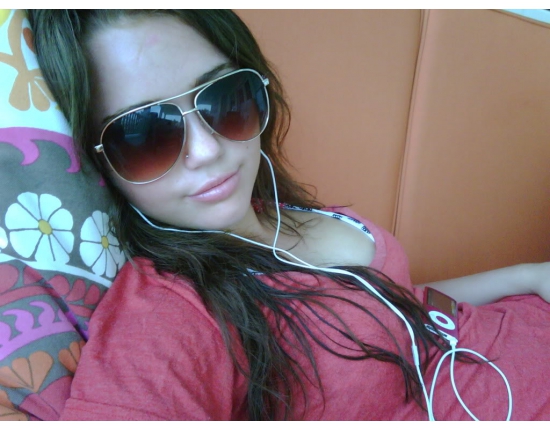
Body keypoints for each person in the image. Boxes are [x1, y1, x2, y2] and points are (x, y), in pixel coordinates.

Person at [27, 9, 550, 421]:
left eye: (222, 97)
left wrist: (527, 276)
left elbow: (398, 305)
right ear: (101, 165)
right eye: (144, 134)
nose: (207, 150)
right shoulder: (168, 312)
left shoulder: (276, 211)